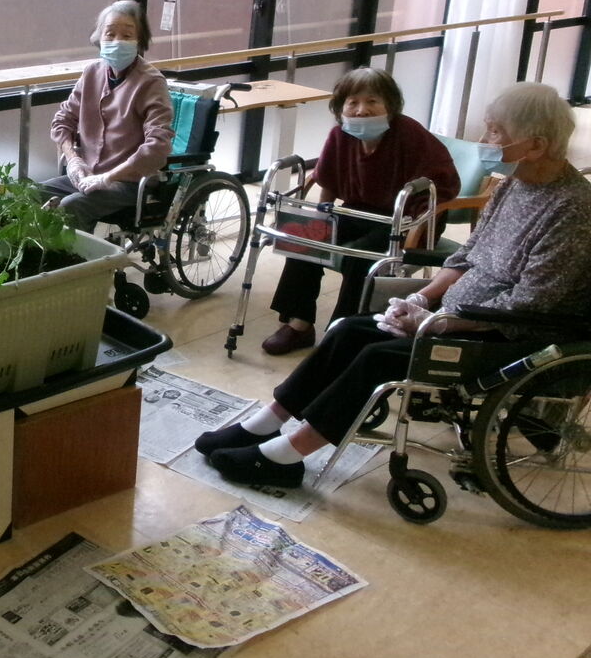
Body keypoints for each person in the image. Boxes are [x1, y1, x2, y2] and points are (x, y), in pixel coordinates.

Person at [196, 83, 591, 489]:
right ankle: (265, 424)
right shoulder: (512, 185)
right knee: (349, 330)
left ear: (536, 145)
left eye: (494, 132)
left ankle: (286, 456)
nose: (483, 141)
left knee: (378, 357)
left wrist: (441, 322)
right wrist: (421, 298)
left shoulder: (572, 209)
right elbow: (465, 257)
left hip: (510, 337)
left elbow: (529, 304)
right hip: (460, 317)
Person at [261, 68, 460, 355]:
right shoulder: (340, 135)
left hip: (404, 220)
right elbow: (327, 180)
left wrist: (415, 230)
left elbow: (443, 185)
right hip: (358, 211)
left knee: (360, 257)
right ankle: (299, 324)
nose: (361, 110)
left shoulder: (411, 135)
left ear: (390, 105)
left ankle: (343, 330)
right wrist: (319, 220)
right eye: (352, 102)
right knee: (305, 237)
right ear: (340, 107)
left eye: (372, 101)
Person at [44, 0, 174, 233]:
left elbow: (158, 146)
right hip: (88, 173)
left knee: (71, 207)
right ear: (99, 37)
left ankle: (79, 257)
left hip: (129, 182)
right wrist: (73, 160)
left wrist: (108, 178)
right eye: (110, 34)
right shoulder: (92, 73)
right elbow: (63, 120)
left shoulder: (151, 82)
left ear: (140, 40)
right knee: (31, 193)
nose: (117, 41)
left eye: (127, 35)